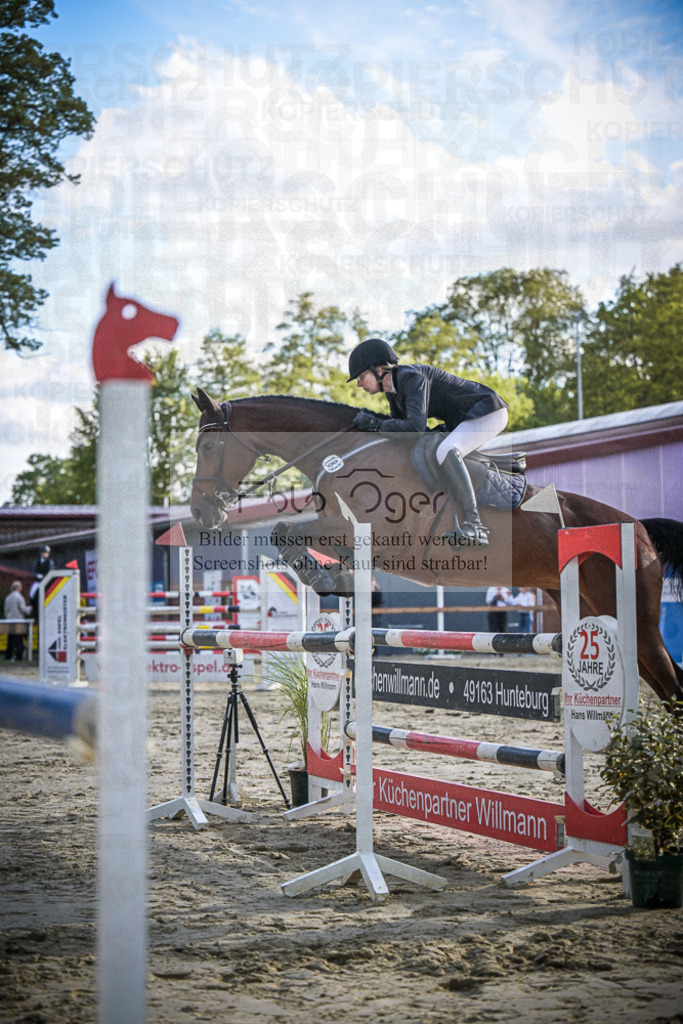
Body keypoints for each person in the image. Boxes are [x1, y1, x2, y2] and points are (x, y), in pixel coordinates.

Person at [347, 338, 508, 546]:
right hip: (463, 419)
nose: (359, 384)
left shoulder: (411, 378)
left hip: (487, 411)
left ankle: (475, 524)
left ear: (378, 370)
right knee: (430, 450)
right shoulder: (392, 392)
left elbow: (414, 428)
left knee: (446, 450)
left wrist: (375, 424)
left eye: (361, 377)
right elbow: (403, 436)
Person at [4, 581, 32, 662]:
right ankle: (19, 655)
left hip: (9, 620)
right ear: (17, 587)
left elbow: (6, 610)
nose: (21, 588)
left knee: (10, 639)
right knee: (19, 639)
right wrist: (29, 609)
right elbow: (23, 609)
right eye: (20, 587)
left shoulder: (8, 597)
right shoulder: (19, 597)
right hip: (18, 620)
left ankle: (8, 655)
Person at [30, 545, 54, 619]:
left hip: (46, 581)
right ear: (41, 553)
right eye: (44, 553)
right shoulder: (37, 562)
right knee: (31, 594)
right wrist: (37, 575)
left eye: (47, 553)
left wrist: (44, 576)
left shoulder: (50, 562)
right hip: (38, 581)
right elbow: (34, 571)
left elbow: (50, 571)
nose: (45, 554)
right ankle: (34, 608)